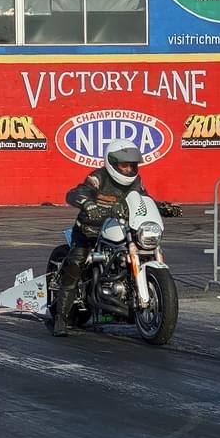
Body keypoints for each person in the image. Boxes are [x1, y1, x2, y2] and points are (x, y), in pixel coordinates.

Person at [52, 139, 179, 337]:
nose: (129, 169)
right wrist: (88, 204)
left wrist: (162, 207)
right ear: (111, 163)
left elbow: (144, 201)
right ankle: (60, 318)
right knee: (75, 265)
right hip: (89, 230)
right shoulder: (98, 178)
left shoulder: (137, 182)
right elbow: (76, 192)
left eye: (132, 165)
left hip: (121, 227)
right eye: (124, 165)